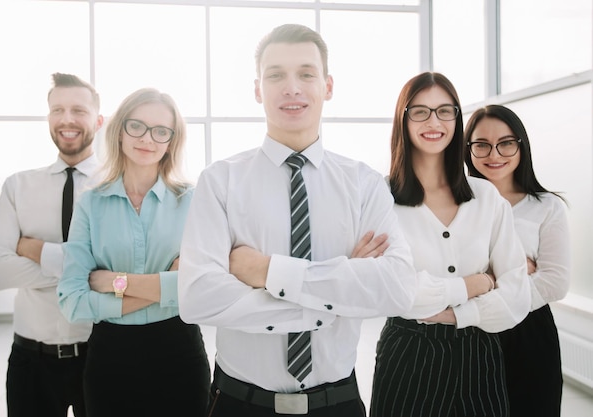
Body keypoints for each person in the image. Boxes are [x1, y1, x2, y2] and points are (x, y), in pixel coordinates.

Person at [177, 23, 417, 417]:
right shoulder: (220, 182)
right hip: (238, 403)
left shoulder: (365, 184)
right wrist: (333, 298)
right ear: (258, 89)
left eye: (306, 73)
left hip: (337, 403)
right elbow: (198, 296)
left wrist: (267, 271)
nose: (292, 87)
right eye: (276, 75)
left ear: (328, 85)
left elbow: (398, 288)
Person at [370, 72, 531, 417]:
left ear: (457, 119)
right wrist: (478, 283)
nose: (434, 122)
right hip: (408, 354)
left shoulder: (487, 197)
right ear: (403, 119)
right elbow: (395, 292)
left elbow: (517, 295)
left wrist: (456, 313)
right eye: (421, 112)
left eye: (445, 111)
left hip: (479, 351)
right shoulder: (380, 199)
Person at [56, 88, 210, 416]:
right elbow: (71, 300)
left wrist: (115, 282)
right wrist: (169, 287)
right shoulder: (91, 203)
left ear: (172, 140)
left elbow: (203, 290)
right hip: (111, 359)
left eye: (161, 131)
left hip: (179, 354)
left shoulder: (193, 202)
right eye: (136, 126)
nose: (147, 139)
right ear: (120, 131)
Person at [0, 72, 103, 417]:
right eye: (57, 110)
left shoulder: (118, 186)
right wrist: (85, 271)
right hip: (30, 361)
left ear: (98, 120)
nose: (67, 119)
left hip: (99, 356)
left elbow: (123, 269)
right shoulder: (17, 186)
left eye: (79, 110)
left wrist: (35, 250)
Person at [464, 104, 570, 417]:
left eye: (506, 143)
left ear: (521, 145)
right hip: (470, 333)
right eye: (481, 144)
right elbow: (444, 269)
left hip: (529, 332)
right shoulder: (457, 204)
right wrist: (516, 270)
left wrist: (488, 279)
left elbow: (555, 282)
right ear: (467, 148)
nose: (494, 154)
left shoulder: (547, 206)